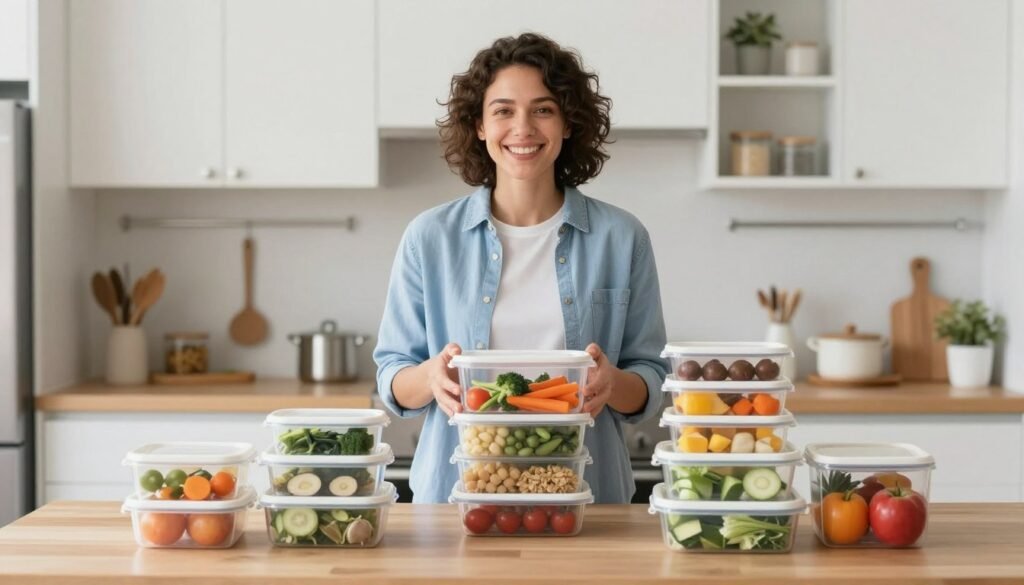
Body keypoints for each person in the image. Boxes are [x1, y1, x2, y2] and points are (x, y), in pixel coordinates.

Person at [373, 33, 668, 503]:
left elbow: (649, 379)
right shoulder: (429, 237)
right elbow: (393, 376)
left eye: (543, 109)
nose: (523, 128)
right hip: (459, 498)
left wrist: (614, 384)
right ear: (480, 126)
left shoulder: (622, 237)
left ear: (568, 123)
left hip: (588, 500)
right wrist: (430, 376)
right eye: (504, 110)